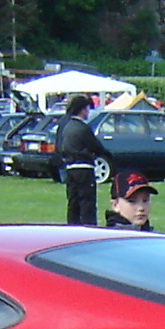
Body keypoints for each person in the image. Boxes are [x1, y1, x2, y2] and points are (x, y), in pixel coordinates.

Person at [55, 93, 109, 228]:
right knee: (87, 202)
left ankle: (72, 227)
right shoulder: (82, 128)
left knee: (73, 202)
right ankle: (89, 228)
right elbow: (97, 147)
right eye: (87, 109)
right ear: (82, 109)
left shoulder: (67, 127)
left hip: (70, 168)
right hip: (84, 168)